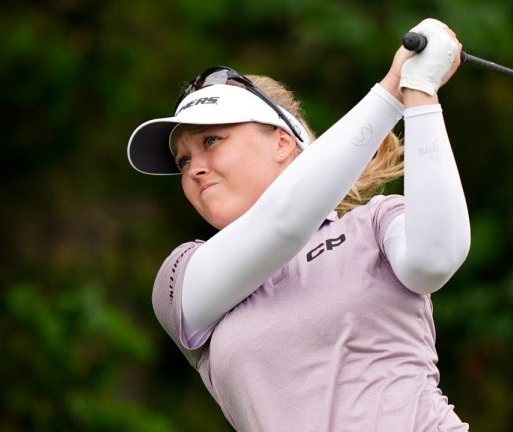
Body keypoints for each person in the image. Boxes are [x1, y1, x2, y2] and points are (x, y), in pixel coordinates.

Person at [127, 18, 470, 431]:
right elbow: (281, 224)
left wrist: (420, 91)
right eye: (183, 161)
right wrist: (393, 88)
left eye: (211, 141)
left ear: (283, 143)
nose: (194, 169)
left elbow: (435, 258)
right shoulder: (183, 275)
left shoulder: (375, 223)